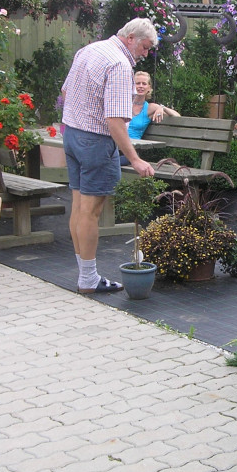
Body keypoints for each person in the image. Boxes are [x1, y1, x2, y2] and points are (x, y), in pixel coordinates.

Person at [60, 18, 157, 294]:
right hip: (95, 142)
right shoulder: (119, 64)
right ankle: (89, 280)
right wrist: (135, 159)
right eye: (145, 47)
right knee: (91, 212)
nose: (145, 54)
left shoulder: (90, 50)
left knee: (79, 207)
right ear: (131, 38)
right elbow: (114, 121)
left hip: (72, 135)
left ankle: (85, 276)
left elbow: (65, 91)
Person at [120, 71, 180, 164]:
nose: (140, 86)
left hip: (131, 152)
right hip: (115, 147)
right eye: (137, 83)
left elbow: (177, 116)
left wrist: (162, 108)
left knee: (106, 163)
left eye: (144, 84)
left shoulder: (150, 108)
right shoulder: (123, 104)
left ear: (149, 88)